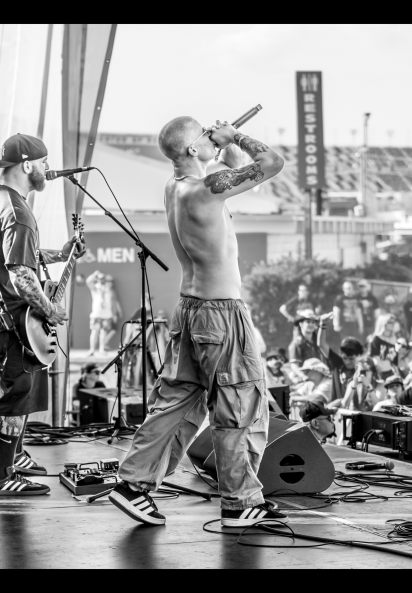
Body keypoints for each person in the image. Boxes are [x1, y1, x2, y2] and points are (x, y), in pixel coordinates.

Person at [108, 117, 287, 528]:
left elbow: (236, 172)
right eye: (205, 135)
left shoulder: (177, 188)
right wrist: (236, 136)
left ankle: (133, 484)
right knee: (239, 404)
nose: (212, 138)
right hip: (221, 313)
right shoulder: (207, 189)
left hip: (189, 309)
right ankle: (240, 503)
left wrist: (223, 146)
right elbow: (272, 163)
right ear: (192, 148)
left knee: (175, 403)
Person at [0, 133, 86, 496]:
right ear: (28, 164)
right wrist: (51, 310)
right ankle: (1, 476)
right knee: (18, 391)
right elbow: (21, 275)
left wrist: (61, 254)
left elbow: (15, 255)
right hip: (11, 318)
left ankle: (16, 456)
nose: (48, 168)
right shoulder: (18, 212)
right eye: (44, 162)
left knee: (21, 386)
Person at [287, 309, 330, 381]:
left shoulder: (318, 343)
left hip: (320, 376)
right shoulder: (296, 344)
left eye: (313, 322)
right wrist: (304, 377)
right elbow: (294, 366)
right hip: (304, 380)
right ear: (301, 324)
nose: (311, 324)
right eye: (308, 322)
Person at [86, 271, 122, 356]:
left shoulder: (109, 289)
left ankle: (102, 349)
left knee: (104, 332)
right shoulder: (95, 288)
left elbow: (113, 302)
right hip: (97, 314)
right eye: (100, 279)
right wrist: (95, 274)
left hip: (107, 314)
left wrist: (114, 314)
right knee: (94, 332)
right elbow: (88, 281)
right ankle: (92, 350)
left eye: (103, 279)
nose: (102, 280)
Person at [368, 313, 399, 378]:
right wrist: (379, 374)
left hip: (391, 372)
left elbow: (394, 357)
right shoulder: (376, 339)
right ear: (383, 323)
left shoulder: (393, 338)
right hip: (380, 373)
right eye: (390, 322)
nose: (393, 324)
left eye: (393, 322)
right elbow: (375, 357)